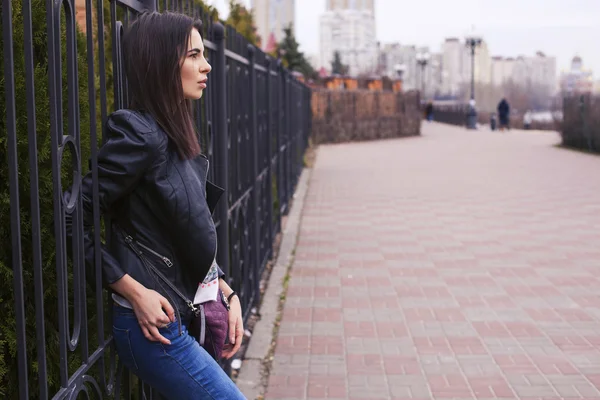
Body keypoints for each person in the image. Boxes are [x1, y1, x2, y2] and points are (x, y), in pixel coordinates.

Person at [66, 11, 246, 399]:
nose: (207, 65)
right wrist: (132, 291)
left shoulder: (173, 132)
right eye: (193, 55)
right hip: (151, 326)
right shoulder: (140, 134)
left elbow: (181, 232)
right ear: (164, 64)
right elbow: (73, 215)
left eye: (203, 54)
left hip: (180, 312)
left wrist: (225, 292)